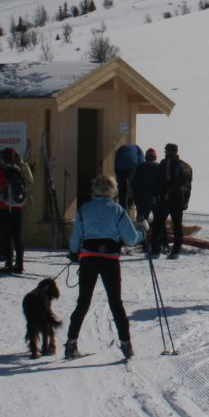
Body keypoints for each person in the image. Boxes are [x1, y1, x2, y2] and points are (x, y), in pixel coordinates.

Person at [66, 174, 142, 359]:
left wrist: (74, 252)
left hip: (88, 258)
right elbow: (131, 239)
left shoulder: (84, 209)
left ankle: (71, 344)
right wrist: (143, 232)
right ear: (112, 189)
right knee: (116, 303)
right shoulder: (118, 210)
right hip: (110, 259)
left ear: (94, 189)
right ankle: (126, 345)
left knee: (83, 302)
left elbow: (76, 237)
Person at [0, 147, 33, 274]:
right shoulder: (19, 170)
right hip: (18, 207)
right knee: (17, 236)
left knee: (6, 236)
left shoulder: (2, 171)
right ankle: (19, 263)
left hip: (4, 207)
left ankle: (8, 263)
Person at [157, 143, 193, 259]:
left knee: (159, 222)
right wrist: (186, 201)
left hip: (167, 198)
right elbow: (188, 185)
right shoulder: (186, 166)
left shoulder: (166, 163)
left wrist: (160, 196)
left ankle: (163, 245)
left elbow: (161, 182)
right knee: (177, 225)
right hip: (180, 199)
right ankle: (176, 249)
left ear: (168, 151)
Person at [131, 147, 164, 252]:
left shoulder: (140, 167)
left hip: (141, 199)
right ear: (155, 157)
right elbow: (163, 183)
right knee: (158, 222)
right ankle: (157, 244)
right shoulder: (159, 167)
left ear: (146, 157)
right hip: (156, 199)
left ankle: (144, 243)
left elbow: (133, 182)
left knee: (142, 222)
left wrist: (134, 197)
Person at [113, 139, 143, 209]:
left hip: (120, 168)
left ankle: (122, 206)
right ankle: (131, 201)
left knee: (122, 187)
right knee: (133, 185)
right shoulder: (138, 148)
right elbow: (141, 161)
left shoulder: (122, 148)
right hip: (132, 167)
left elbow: (116, 159)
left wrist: (117, 173)